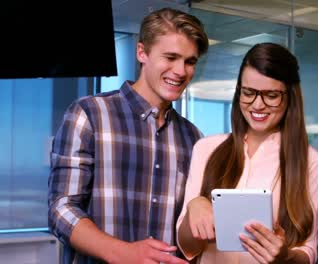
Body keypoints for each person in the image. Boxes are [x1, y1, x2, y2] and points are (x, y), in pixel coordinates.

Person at [48, 7, 209, 264]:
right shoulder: (89, 114)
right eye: (170, 57)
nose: (180, 71)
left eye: (190, 61)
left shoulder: (194, 138)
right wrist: (124, 253)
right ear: (141, 52)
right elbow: (61, 210)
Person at [176, 42, 318, 263]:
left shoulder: (310, 161)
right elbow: (187, 246)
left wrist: (285, 257)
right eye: (249, 93)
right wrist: (194, 206)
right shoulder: (206, 149)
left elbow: (309, 251)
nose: (257, 105)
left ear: (290, 97)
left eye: (271, 95)